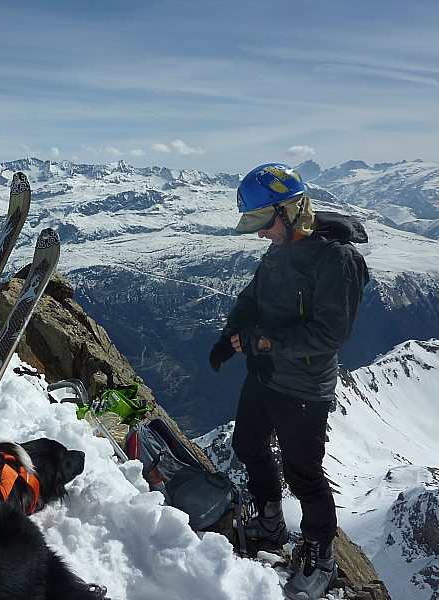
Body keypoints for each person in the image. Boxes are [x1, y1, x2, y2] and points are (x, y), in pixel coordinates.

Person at [209, 164, 369, 600]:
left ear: (291, 209)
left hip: (303, 388)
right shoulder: (280, 250)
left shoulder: (339, 260)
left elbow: (330, 334)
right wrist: (233, 333)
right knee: (248, 446)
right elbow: (252, 297)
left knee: (304, 475)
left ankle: (321, 558)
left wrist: (263, 343)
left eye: (265, 222)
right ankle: (271, 521)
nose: (261, 233)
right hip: (266, 375)